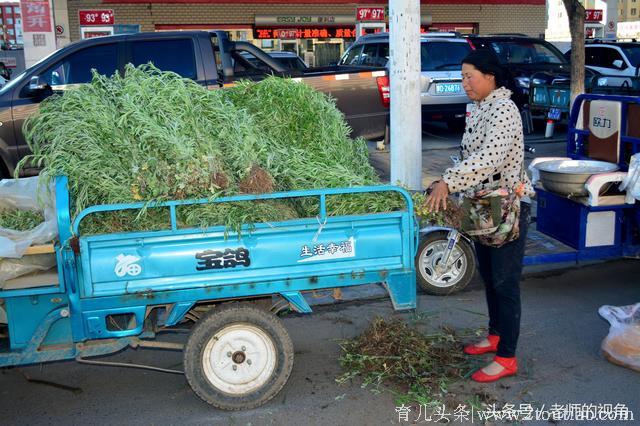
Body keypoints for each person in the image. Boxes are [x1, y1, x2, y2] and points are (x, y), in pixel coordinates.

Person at [425, 49, 534, 383]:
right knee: (488, 275)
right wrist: (446, 178)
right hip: (484, 204)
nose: (464, 83)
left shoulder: (503, 108)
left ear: (490, 77)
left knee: (505, 282)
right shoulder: (479, 107)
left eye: (469, 76)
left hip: (507, 206)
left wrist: (449, 181)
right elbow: (467, 154)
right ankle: (495, 335)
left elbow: (489, 157)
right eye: (462, 77)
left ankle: (507, 357)